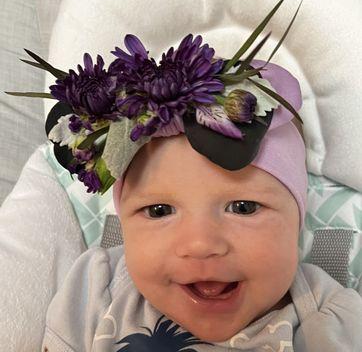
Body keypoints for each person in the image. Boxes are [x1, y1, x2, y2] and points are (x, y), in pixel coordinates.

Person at [24, 31, 359, 352]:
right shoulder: (95, 291)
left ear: (297, 219)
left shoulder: (330, 324)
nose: (200, 245)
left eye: (243, 207)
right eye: (159, 211)